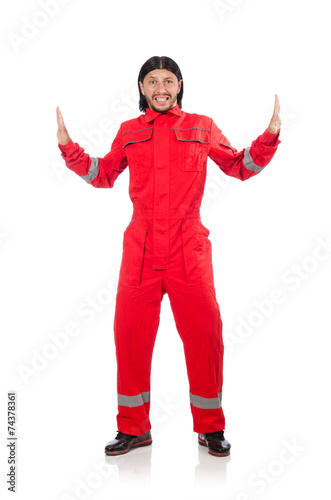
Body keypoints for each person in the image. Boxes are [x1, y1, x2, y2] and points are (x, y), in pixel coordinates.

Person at [56, 55, 281, 458]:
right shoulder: (128, 131)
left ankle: (210, 428)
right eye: (152, 80)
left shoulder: (201, 126)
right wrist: (68, 148)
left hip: (188, 247)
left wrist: (269, 137)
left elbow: (237, 166)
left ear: (179, 85)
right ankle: (134, 429)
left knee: (205, 336)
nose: (161, 87)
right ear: (141, 88)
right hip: (140, 249)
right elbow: (103, 174)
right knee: (129, 338)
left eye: (169, 80)